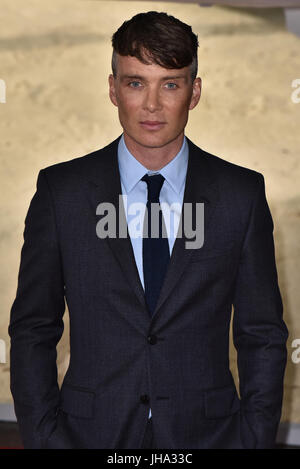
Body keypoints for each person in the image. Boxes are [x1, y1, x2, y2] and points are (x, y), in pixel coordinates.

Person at [8, 11, 288, 449]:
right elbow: (32, 330)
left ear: (194, 92)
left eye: (170, 84)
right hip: (88, 437)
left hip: (209, 437)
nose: (152, 105)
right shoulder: (62, 192)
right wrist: (45, 439)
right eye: (136, 83)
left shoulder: (240, 195)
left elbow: (263, 335)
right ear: (113, 89)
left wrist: (252, 439)